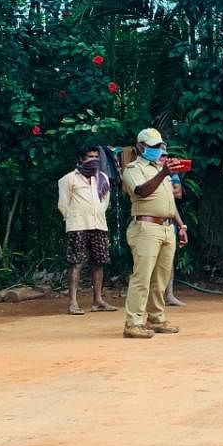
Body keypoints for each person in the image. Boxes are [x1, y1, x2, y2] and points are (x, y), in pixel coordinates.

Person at [120, 128, 187, 338]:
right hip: (146, 227)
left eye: (159, 146)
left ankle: (156, 317)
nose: (158, 149)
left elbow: (170, 201)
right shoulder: (133, 168)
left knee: (161, 277)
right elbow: (141, 191)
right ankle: (133, 322)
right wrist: (163, 173)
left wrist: (181, 225)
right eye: (153, 146)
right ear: (140, 146)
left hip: (167, 227)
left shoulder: (160, 168)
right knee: (142, 276)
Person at [57, 144, 119, 315]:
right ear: (81, 159)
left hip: (99, 224)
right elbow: (63, 205)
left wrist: (96, 212)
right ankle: (73, 302)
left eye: (96, 157)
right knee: (76, 263)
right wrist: (73, 218)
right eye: (90, 157)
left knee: (99, 263)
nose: (94, 160)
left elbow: (105, 203)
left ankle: (97, 300)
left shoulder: (103, 179)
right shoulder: (69, 179)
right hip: (77, 226)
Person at [164, 167, 186, 307]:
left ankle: (169, 295)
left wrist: (181, 226)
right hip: (147, 222)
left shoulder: (171, 173)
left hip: (168, 222)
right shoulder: (140, 170)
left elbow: (177, 194)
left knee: (168, 259)